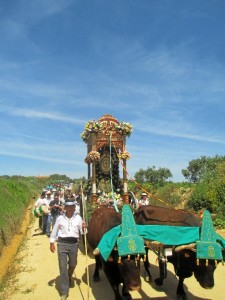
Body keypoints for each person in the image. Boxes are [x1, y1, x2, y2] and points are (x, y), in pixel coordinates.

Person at [50, 199, 86, 300]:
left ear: (74, 208)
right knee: (62, 267)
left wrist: (84, 227)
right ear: (65, 208)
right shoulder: (60, 218)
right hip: (62, 244)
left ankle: (69, 276)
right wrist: (52, 242)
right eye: (68, 207)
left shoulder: (78, 218)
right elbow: (54, 230)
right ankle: (64, 292)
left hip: (74, 244)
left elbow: (83, 232)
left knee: (73, 264)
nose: (70, 209)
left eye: (72, 207)